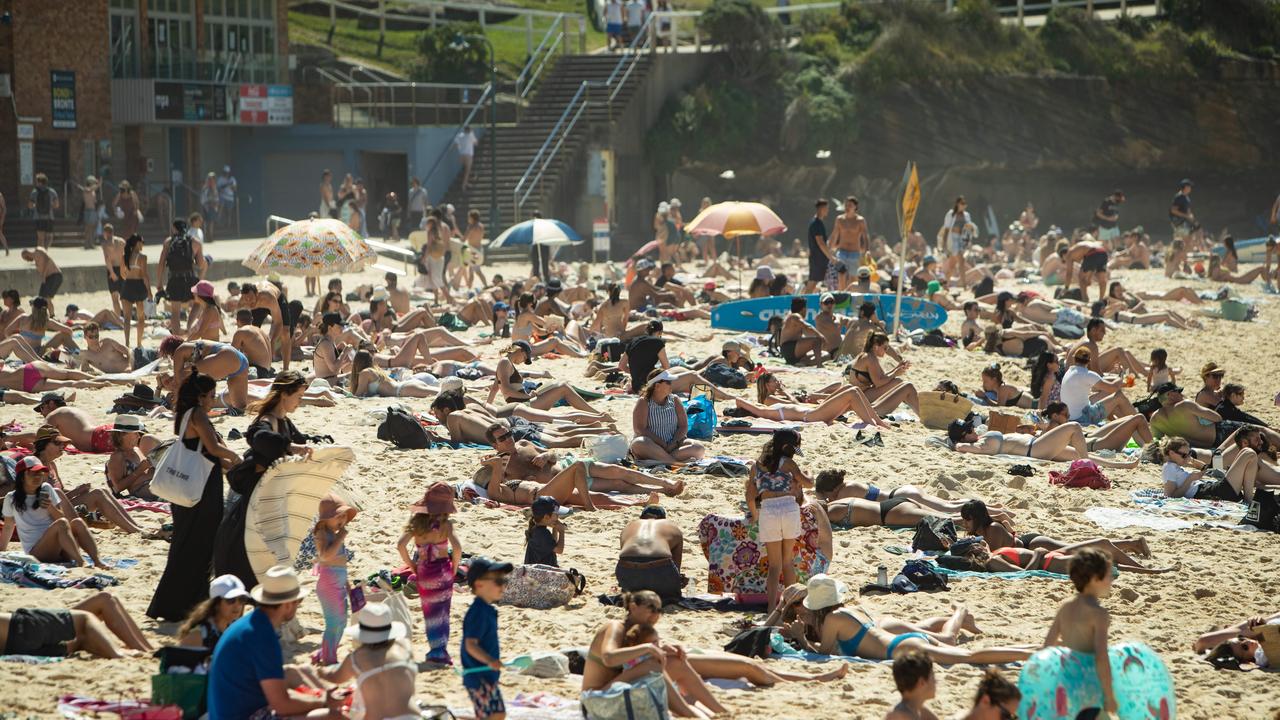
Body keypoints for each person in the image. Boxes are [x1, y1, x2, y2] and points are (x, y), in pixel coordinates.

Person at [147, 373, 241, 621]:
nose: (213, 400)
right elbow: (213, 449)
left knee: (185, 544)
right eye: (210, 396)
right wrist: (237, 457)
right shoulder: (197, 414)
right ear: (200, 397)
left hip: (190, 487)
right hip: (200, 489)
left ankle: (178, 604)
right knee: (200, 545)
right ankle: (190, 603)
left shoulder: (185, 414)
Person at [783, 575, 1034, 664]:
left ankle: (1033, 653)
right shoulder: (848, 611)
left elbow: (825, 656)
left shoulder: (833, 620)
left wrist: (801, 639)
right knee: (968, 656)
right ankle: (1032, 649)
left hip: (902, 649)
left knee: (971, 658)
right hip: (903, 644)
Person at [213, 372, 316, 588]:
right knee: (247, 546)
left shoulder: (284, 421)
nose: (300, 401)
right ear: (284, 394)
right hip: (258, 496)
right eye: (298, 396)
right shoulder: (267, 420)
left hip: (273, 497)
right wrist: (290, 447)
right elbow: (260, 439)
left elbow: (299, 441)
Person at [206, 565, 342, 720]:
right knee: (332, 716)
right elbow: (281, 705)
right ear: (288, 604)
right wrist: (323, 702)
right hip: (245, 714)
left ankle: (336, 697)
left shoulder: (251, 623)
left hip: (228, 710)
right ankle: (335, 702)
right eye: (299, 601)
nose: (298, 605)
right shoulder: (262, 636)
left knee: (299, 670)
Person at [1042, 548, 1118, 717]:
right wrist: (1109, 694)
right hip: (1089, 686)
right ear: (1094, 579)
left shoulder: (1065, 607)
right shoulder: (1099, 614)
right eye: (1108, 574)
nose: (1112, 579)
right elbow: (1101, 656)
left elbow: (1047, 647)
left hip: (1066, 681)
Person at [397, 482, 462, 665]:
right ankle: (440, 651)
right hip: (443, 570)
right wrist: (455, 567)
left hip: (425, 571)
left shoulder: (416, 523)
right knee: (443, 612)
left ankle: (434, 649)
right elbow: (457, 548)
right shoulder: (446, 525)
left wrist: (412, 565)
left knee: (430, 612)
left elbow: (400, 545)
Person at [747, 429, 811, 612]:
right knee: (787, 561)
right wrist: (809, 473)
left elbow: (750, 495)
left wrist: (754, 514)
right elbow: (808, 483)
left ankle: (770, 609)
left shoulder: (756, 467)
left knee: (774, 566)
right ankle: (790, 606)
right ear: (787, 448)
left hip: (768, 511)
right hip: (789, 509)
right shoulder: (789, 464)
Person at [2, 456, 101, 566]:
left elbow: (62, 518)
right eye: (33, 473)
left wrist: (50, 507)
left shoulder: (46, 489)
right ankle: (81, 562)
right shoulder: (11, 498)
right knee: (61, 524)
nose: (38, 476)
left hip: (59, 546)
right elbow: (8, 526)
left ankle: (97, 562)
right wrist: (1, 551)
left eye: (40, 473)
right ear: (22, 476)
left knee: (77, 522)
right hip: (37, 551)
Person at [0, 592, 154, 659]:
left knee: (105, 601)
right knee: (94, 609)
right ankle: (127, 653)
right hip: (19, 628)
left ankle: (148, 650)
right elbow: (84, 618)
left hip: (16, 645)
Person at [949, 415, 1136, 467]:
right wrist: (956, 444)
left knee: (1077, 455)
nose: (973, 428)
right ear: (964, 435)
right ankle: (1087, 466)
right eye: (969, 429)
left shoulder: (981, 439)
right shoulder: (979, 445)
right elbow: (961, 447)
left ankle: (1118, 466)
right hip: (1035, 448)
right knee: (1074, 428)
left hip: (1036, 446)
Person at [462, 556, 513, 720]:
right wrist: (490, 660)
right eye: (497, 581)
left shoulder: (487, 609)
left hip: (487, 675)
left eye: (503, 580)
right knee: (491, 715)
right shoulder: (478, 611)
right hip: (478, 676)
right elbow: (470, 645)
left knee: (497, 714)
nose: (503, 585)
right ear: (479, 584)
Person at [313, 494, 357, 665]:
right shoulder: (323, 533)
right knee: (333, 624)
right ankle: (329, 659)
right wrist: (340, 538)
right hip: (328, 586)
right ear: (325, 519)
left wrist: (347, 584)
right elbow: (325, 556)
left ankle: (322, 653)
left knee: (341, 623)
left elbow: (341, 564)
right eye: (337, 515)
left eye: (343, 515)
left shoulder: (332, 533)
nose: (342, 519)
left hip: (338, 584)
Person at [630, 370, 704, 464]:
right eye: (668, 382)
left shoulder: (675, 400)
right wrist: (662, 443)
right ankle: (677, 463)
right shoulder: (644, 402)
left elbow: (683, 426)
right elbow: (640, 429)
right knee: (639, 443)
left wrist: (673, 443)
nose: (671, 384)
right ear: (657, 386)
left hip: (673, 445)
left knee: (698, 448)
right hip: (652, 446)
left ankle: (665, 460)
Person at [1160, 435, 1255, 502]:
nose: (1187, 458)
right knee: (1248, 453)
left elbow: (1206, 468)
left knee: (1248, 453)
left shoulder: (1175, 466)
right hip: (1210, 492)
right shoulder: (1169, 468)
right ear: (1172, 453)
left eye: (1189, 454)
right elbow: (1170, 496)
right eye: (1184, 455)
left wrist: (1192, 460)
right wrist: (1190, 479)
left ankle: (1248, 499)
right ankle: (1248, 500)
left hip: (1212, 489)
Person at [1060, 346, 1136, 424]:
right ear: (1089, 361)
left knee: (1106, 396)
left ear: (1074, 358)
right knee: (1119, 395)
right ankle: (1136, 419)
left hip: (1070, 417)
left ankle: (1120, 422)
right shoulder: (1087, 374)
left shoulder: (1069, 372)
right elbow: (1114, 388)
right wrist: (1121, 374)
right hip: (1083, 418)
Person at [849, 332, 921, 415]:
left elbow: (882, 378)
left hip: (862, 393)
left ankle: (918, 410)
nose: (886, 351)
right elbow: (878, 383)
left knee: (899, 383)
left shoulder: (869, 356)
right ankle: (921, 413)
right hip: (860, 396)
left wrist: (897, 368)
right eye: (885, 348)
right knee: (900, 383)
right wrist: (895, 373)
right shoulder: (869, 359)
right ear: (876, 346)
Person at [156, 219, 206, 335]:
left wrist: (159, 283)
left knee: (175, 312)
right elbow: (200, 264)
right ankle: (189, 326)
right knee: (198, 303)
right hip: (190, 278)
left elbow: (161, 264)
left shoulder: (168, 242)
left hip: (174, 279)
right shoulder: (196, 242)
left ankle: (176, 337)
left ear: (174, 228)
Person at [178, 574, 249, 649]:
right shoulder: (198, 636)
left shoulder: (236, 629)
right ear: (216, 604)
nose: (237, 605)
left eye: (242, 599)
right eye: (230, 600)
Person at [104, 414, 156, 500]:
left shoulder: (136, 449)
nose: (138, 436)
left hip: (154, 484)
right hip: (142, 490)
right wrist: (140, 470)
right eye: (135, 433)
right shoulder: (117, 457)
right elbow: (118, 488)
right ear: (122, 435)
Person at [118, 234, 151, 348]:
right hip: (139, 286)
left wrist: (129, 277)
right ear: (137, 243)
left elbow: (122, 274)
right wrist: (150, 292)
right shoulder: (142, 257)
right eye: (142, 242)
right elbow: (145, 275)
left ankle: (127, 343)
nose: (143, 244)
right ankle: (138, 343)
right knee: (140, 318)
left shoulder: (124, 256)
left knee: (127, 318)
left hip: (127, 285)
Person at [885, 650, 939, 720]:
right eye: (933, 678)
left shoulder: (919, 709)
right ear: (921, 683)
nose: (936, 682)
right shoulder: (900, 715)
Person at [828, 196, 869, 284]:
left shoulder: (860, 220)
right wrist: (830, 249)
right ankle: (841, 294)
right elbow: (835, 234)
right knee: (841, 275)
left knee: (853, 279)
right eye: (846, 205)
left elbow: (865, 236)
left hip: (855, 253)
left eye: (850, 205)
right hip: (842, 252)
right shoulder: (839, 219)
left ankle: (851, 295)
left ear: (855, 207)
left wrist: (867, 251)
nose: (847, 207)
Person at [525, 495, 564, 566]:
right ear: (546, 517)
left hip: (535, 571)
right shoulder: (543, 534)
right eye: (556, 515)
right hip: (541, 573)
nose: (558, 517)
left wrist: (555, 528)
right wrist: (561, 532)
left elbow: (551, 544)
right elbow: (559, 550)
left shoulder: (536, 529)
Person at [805, 199, 832, 293]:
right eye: (826, 208)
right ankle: (803, 301)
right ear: (821, 209)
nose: (828, 210)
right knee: (812, 282)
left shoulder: (818, 222)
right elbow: (820, 243)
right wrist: (831, 258)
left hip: (819, 258)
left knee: (817, 282)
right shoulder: (816, 224)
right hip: (817, 258)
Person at [28, 172, 61, 249]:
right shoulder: (52, 191)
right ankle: (45, 250)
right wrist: (50, 205)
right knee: (49, 237)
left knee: (40, 238)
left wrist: (35, 206)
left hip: (38, 217)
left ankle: (40, 253)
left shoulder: (34, 192)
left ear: (39, 182)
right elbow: (56, 205)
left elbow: (29, 205)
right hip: (49, 217)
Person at [456, 126, 477, 190]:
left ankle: (467, 182)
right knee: (467, 171)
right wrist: (473, 133)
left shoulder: (459, 135)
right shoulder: (470, 135)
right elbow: (476, 143)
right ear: (469, 130)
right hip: (468, 156)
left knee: (465, 169)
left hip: (461, 155)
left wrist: (460, 150)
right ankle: (463, 185)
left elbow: (456, 144)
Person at [216, 165, 237, 231]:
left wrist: (231, 186)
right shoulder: (220, 179)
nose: (226, 174)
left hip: (230, 198)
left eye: (227, 172)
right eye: (225, 172)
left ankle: (229, 225)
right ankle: (218, 224)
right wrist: (226, 185)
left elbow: (235, 189)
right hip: (222, 197)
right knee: (220, 210)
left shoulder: (232, 179)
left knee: (229, 212)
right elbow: (218, 188)